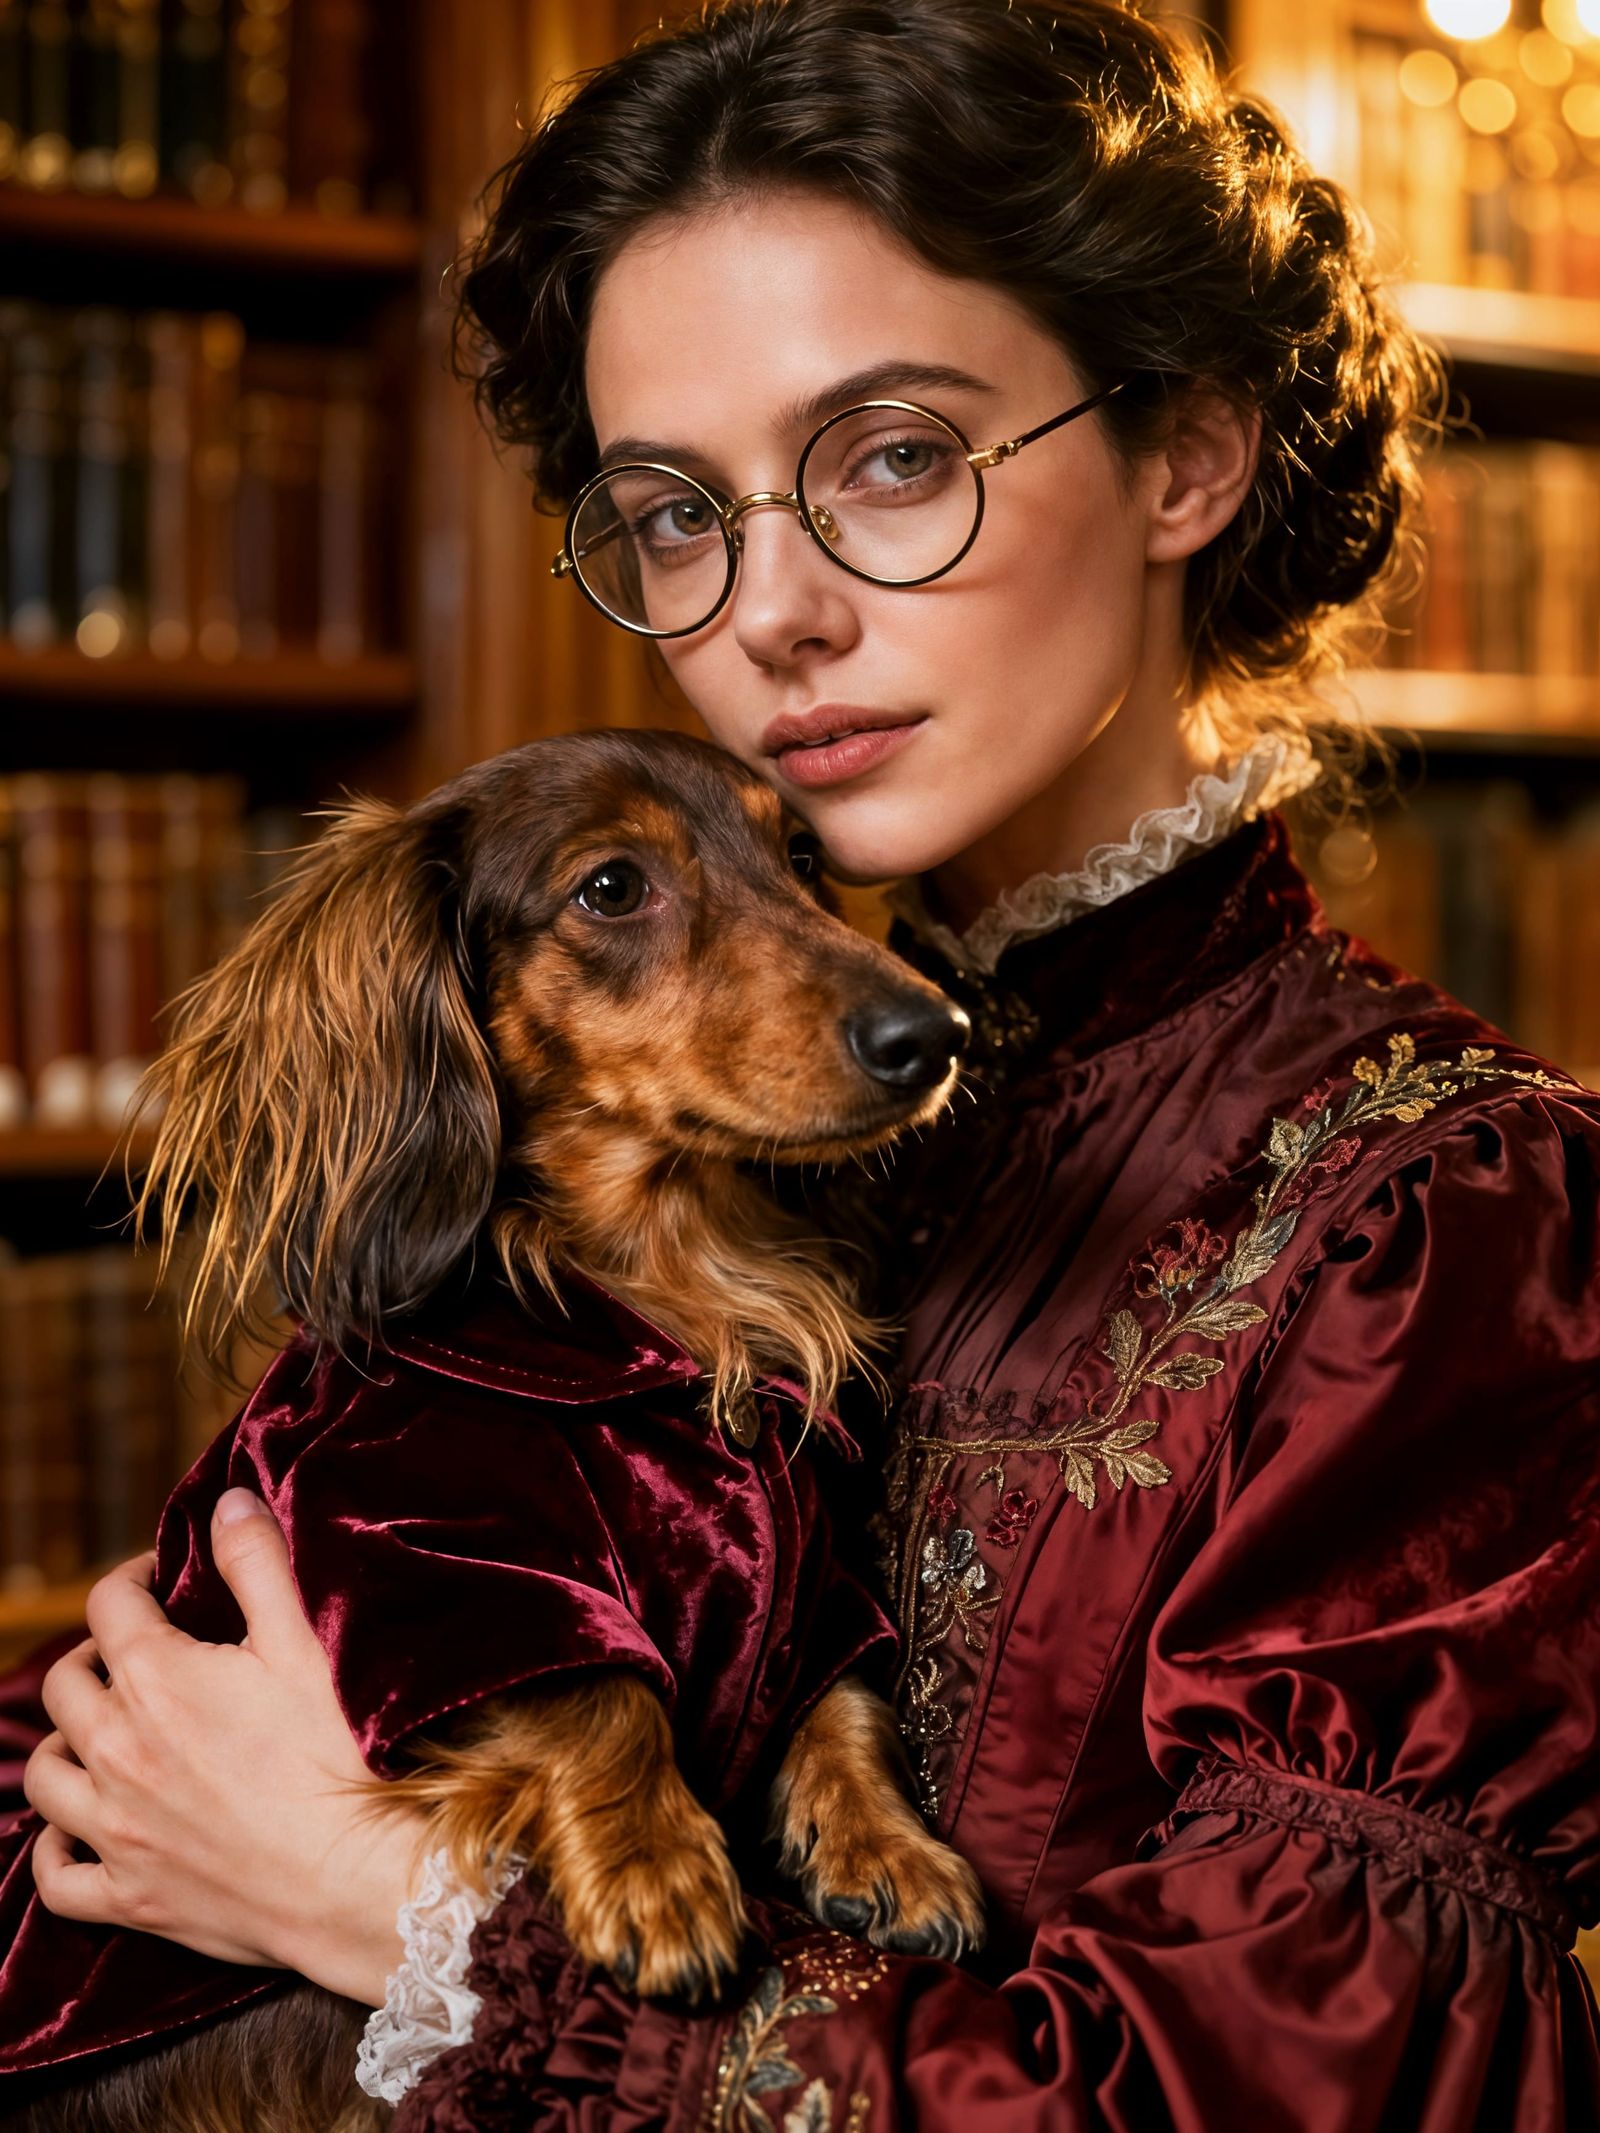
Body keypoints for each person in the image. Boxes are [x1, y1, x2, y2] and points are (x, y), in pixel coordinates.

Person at [13, 1, 1600, 2125]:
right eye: (677, 512)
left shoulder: (1442, 1225)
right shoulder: (668, 1126)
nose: (769, 610)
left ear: (1185, 458)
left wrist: (396, 1917)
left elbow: (1297, 2085)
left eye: (891, 456)